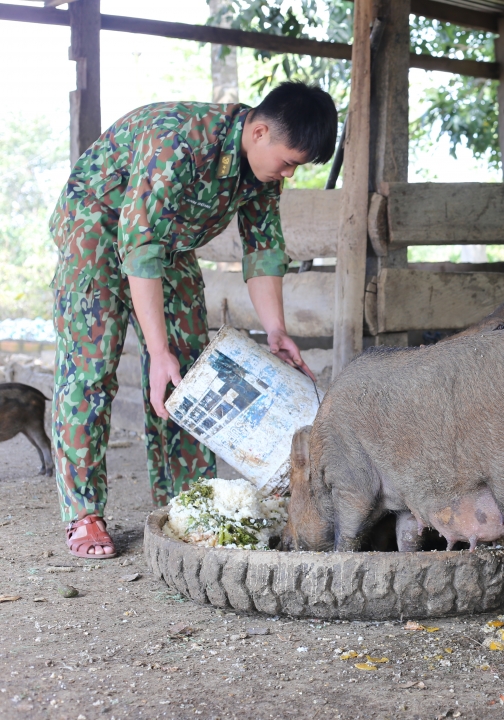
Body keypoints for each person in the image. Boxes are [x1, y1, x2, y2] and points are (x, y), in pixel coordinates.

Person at [49, 81, 337, 558]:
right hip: (96, 230)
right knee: (91, 371)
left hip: (168, 241)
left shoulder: (262, 173)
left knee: (189, 374)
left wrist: (277, 331)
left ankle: (184, 503)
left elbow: (263, 249)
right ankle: (84, 514)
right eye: (288, 161)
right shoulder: (179, 140)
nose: (288, 172)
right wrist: (154, 351)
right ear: (259, 131)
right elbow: (139, 247)